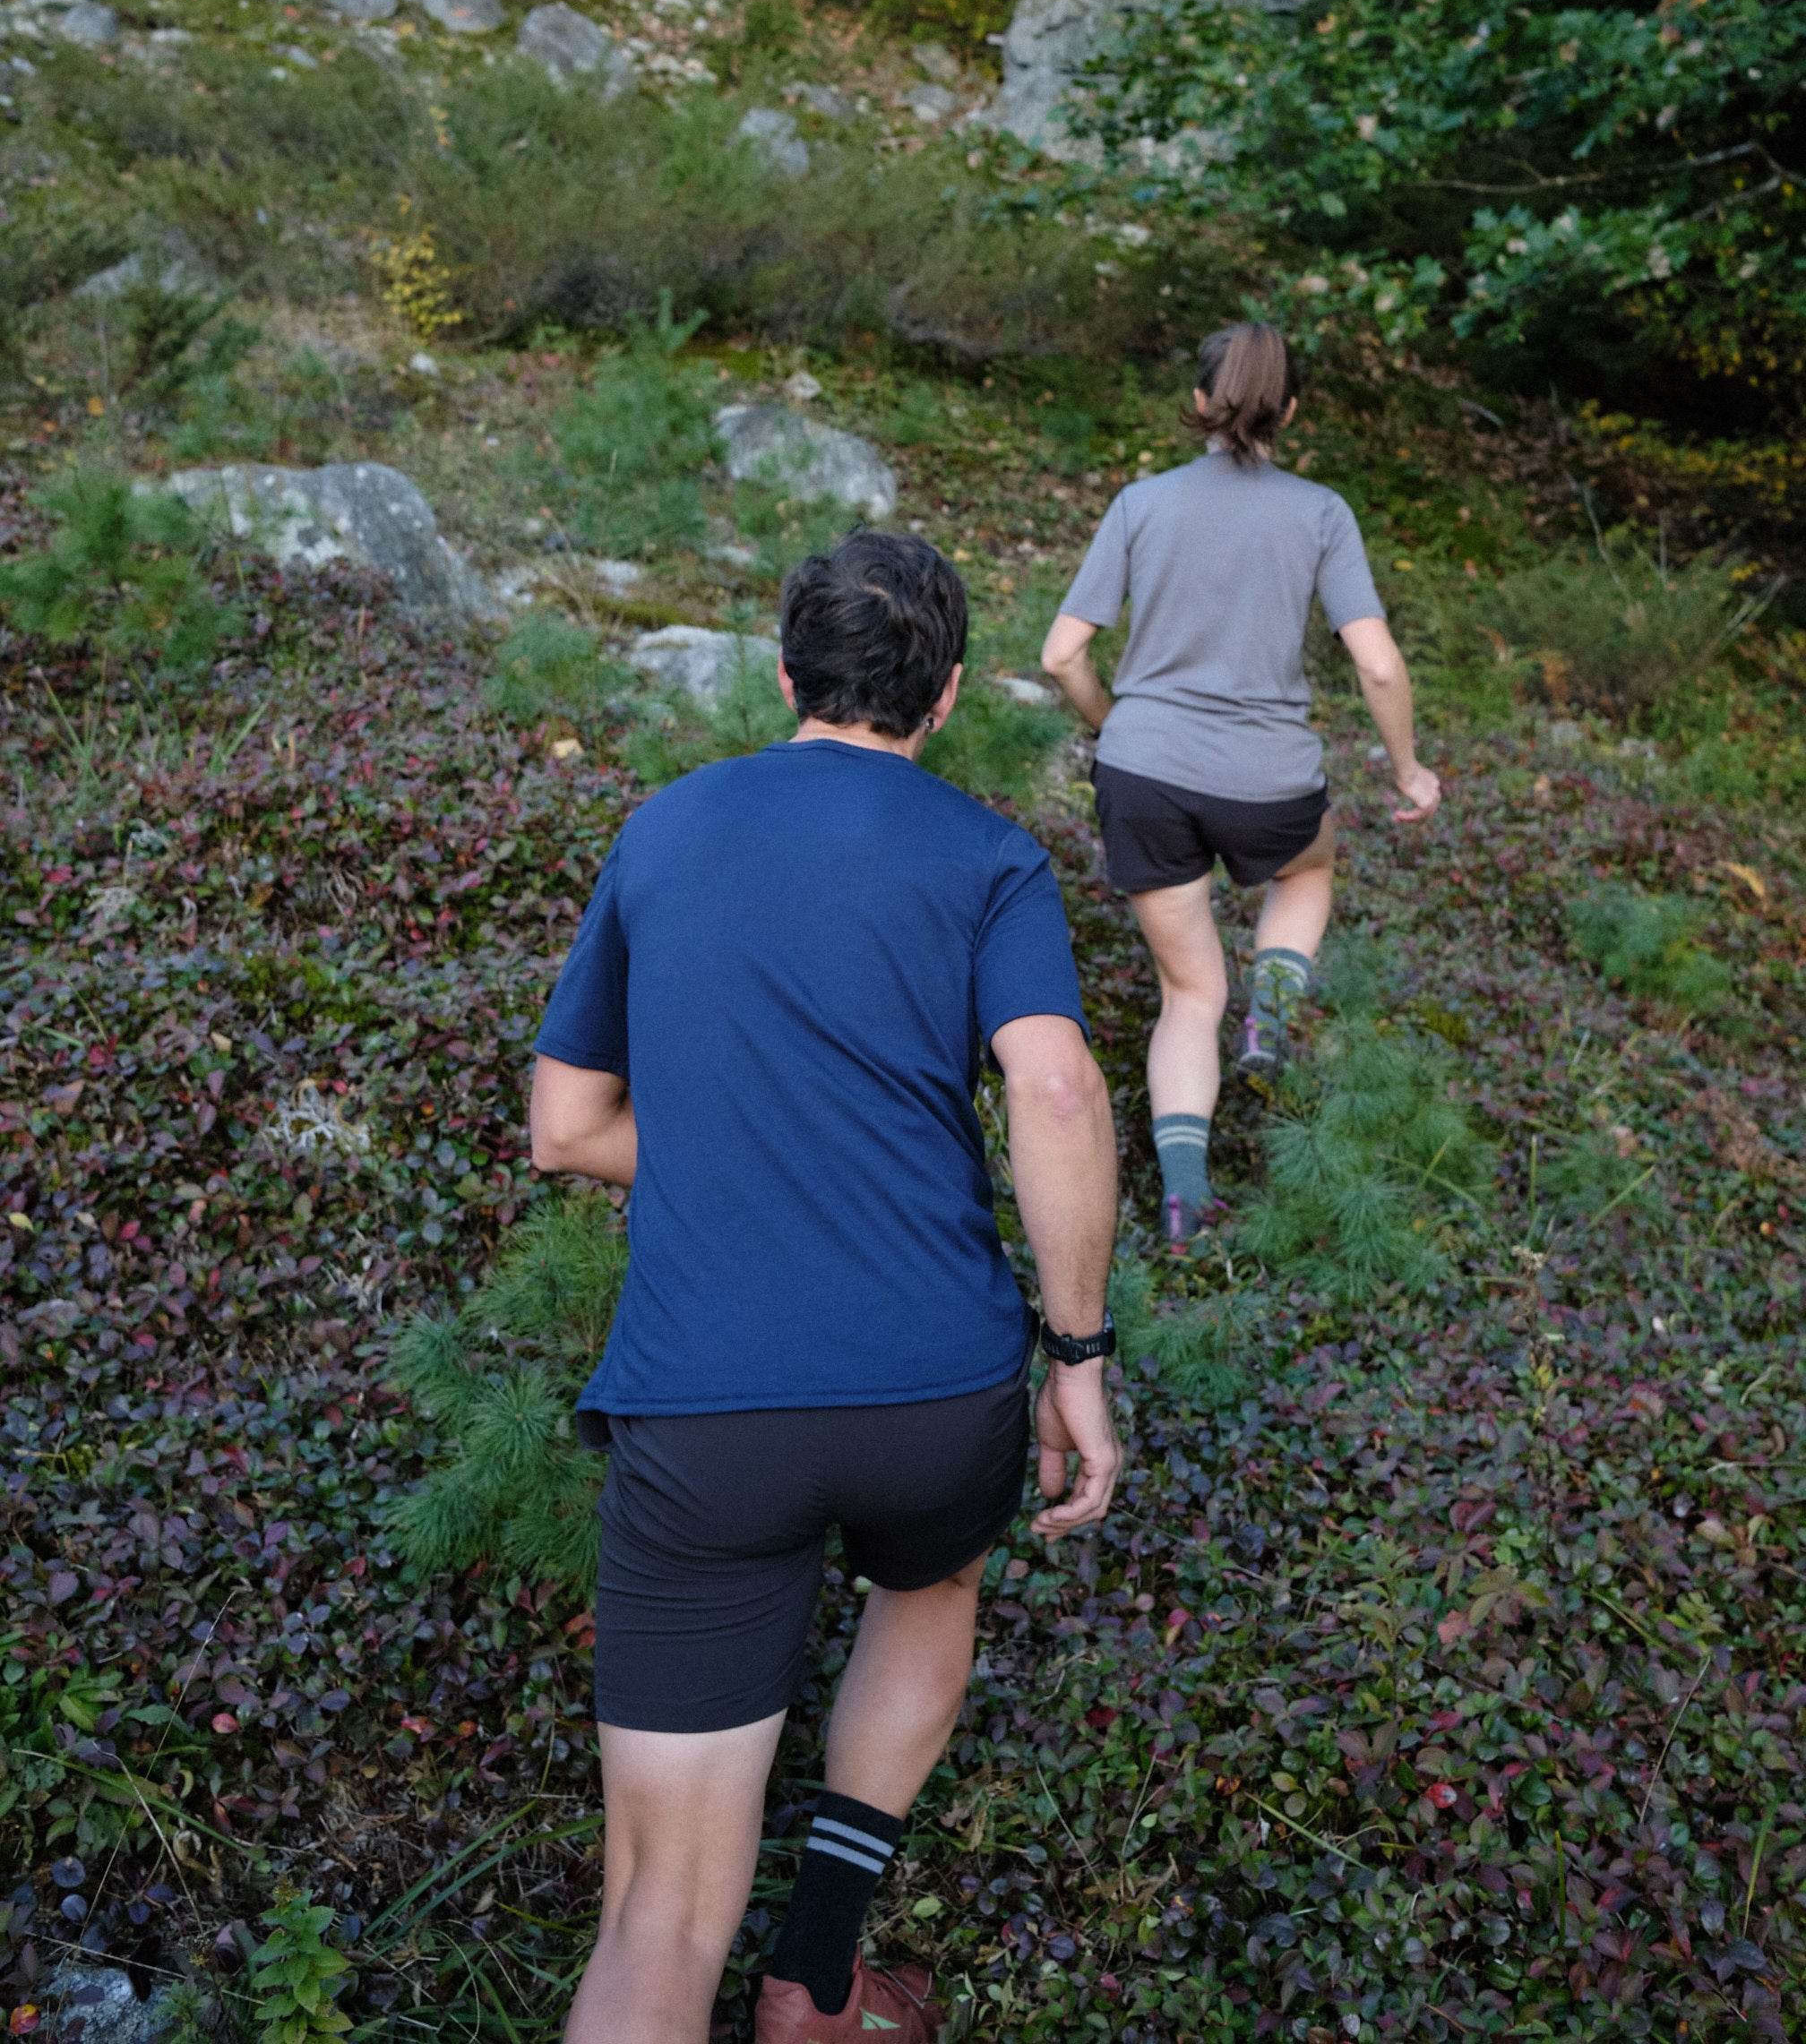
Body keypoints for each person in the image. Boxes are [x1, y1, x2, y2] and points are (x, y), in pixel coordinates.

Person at [529, 528, 1122, 2044]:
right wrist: (1076, 1355)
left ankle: (735, 1965)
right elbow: (1052, 1094)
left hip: (706, 1405)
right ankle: (816, 1974)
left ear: (784, 672)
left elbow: (568, 1126)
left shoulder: (661, 831)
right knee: (928, 1582)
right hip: (936, 1386)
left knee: (656, 1915)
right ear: (942, 703)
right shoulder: (989, 855)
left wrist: (740, 1159)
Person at [1039, 321, 1440, 1247]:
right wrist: (1410, 769)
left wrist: (1116, 722)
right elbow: (1378, 667)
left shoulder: (1141, 502)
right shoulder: (1322, 513)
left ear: (1195, 404)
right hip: (1270, 780)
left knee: (1188, 994)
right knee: (1307, 871)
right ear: (1291, 411)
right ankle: (1275, 1010)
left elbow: (1063, 655)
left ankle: (1184, 1195)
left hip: (1142, 774)